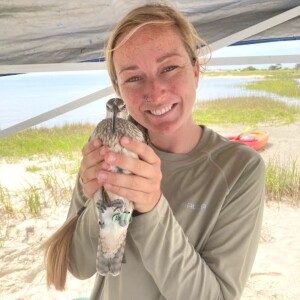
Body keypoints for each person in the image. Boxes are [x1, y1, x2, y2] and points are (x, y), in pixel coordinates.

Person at [66, 3, 265, 300]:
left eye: (169, 68)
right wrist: (95, 197)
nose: (155, 92)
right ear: (118, 88)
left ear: (196, 70)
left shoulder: (240, 168)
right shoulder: (109, 149)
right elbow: (76, 265)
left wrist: (153, 208)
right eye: (134, 77)